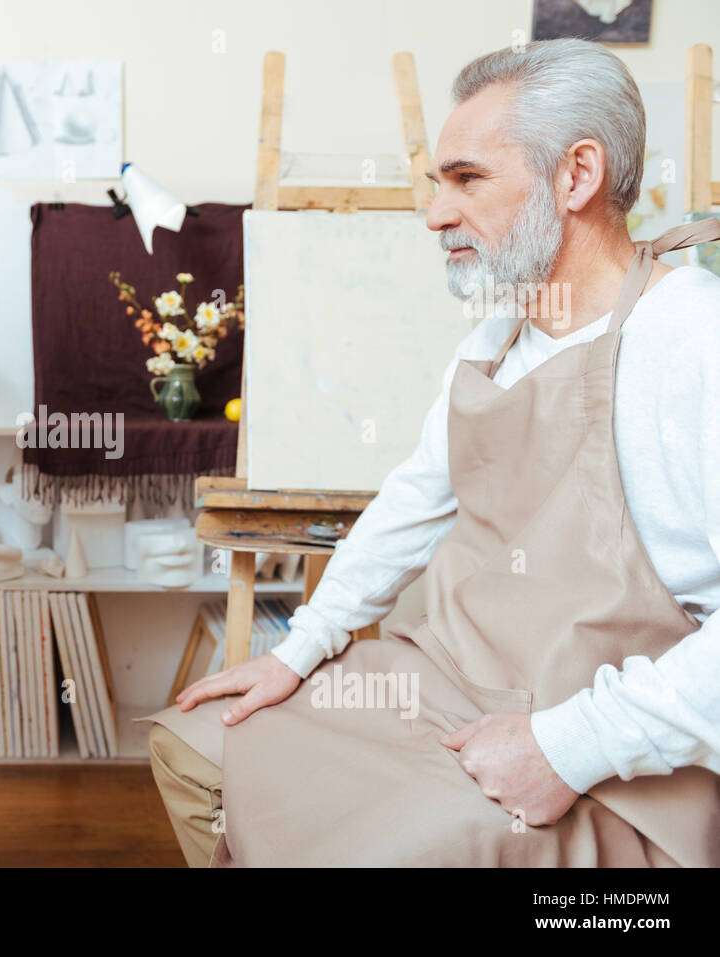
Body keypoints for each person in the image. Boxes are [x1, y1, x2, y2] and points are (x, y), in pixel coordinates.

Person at [146, 38, 720, 867]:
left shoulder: (692, 337)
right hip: (454, 678)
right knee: (199, 748)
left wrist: (568, 744)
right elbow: (411, 505)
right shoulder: (495, 339)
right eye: (436, 184)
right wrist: (301, 648)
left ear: (576, 176)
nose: (435, 213)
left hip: (615, 745)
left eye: (467, 179)